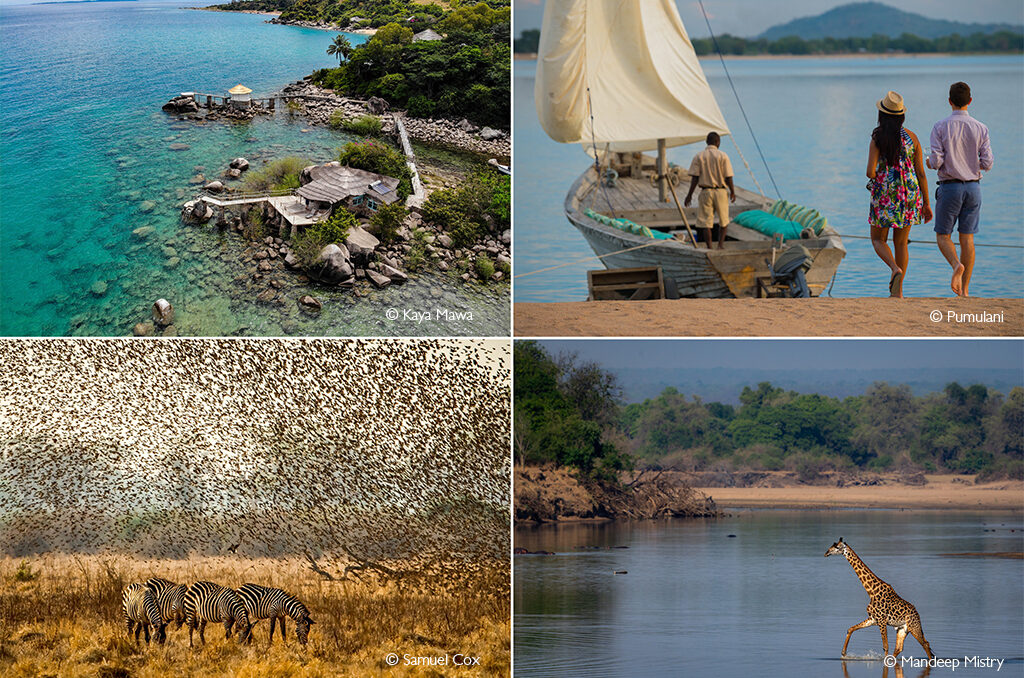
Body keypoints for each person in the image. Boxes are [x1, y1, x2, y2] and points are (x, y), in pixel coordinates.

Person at [926, 81, 993, 297]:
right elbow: (988, 163)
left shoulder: (940, 126)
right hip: (974, 188)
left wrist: (929, 162)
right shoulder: (981, 127)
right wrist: (971, 163)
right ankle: (964, 290)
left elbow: (936, 161)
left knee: (943, 236)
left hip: (951, 187)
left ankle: (956, 265)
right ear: (970, 101)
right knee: (968, 239)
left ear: (949, 101)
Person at [866, 91, 932, 298]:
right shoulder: (912, 138)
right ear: (901, 115)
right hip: (910, 194)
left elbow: (870, 171)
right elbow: (921, 173)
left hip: (886, 192)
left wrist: (882, 174)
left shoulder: (878, 137)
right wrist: (927, 204)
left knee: (878, 240)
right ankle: (899, 292)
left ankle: (895, 268)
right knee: (901, 243)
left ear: (882, 115)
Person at [684, 132, 735, 249]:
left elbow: (695, 178)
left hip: (706, 191)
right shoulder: (723, 156)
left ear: (706, 142)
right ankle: (721, 245)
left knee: (706, 222)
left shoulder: (699, 156)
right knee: (724, 220)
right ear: (718, 143)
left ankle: (709, 246)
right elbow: (728, 177)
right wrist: (732, 191)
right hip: (721, 191)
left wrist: (689, 195)